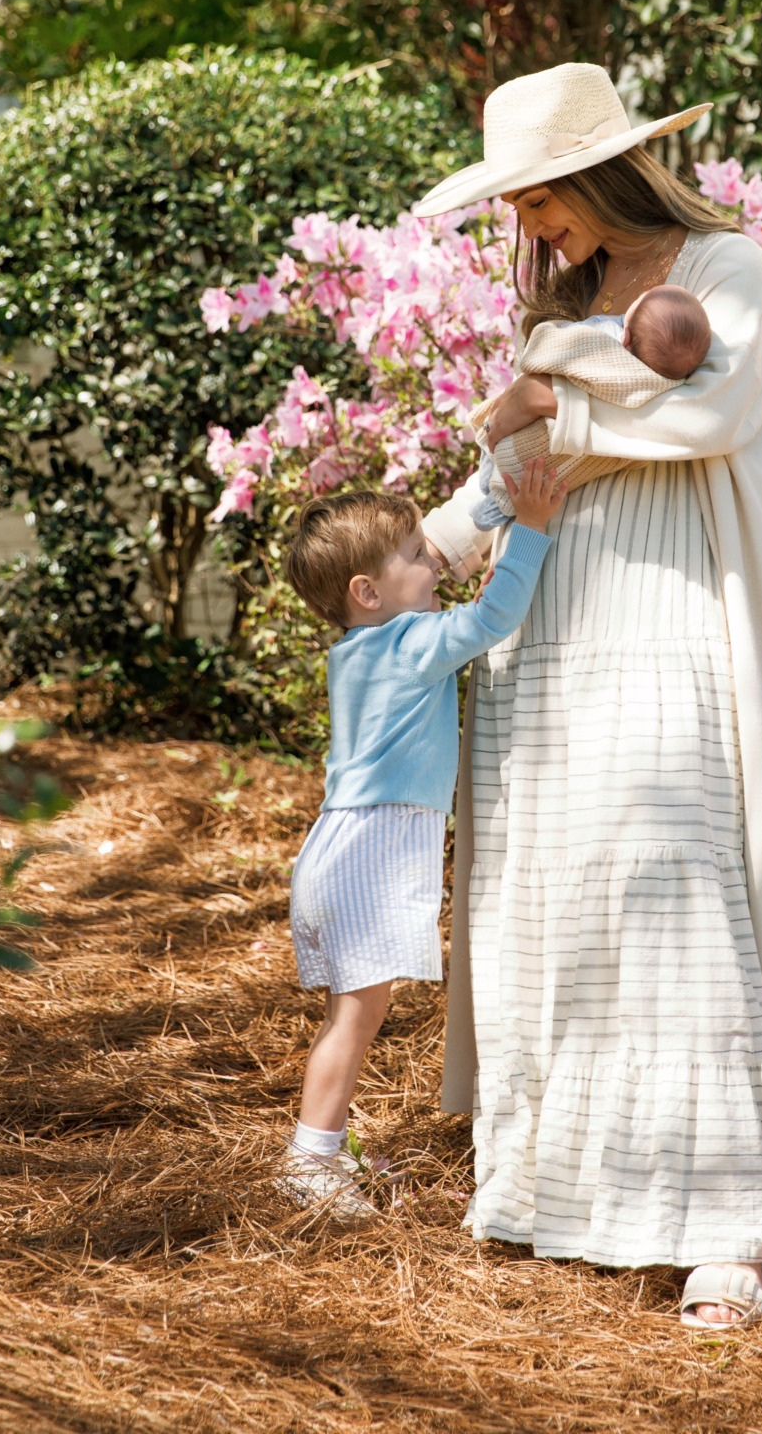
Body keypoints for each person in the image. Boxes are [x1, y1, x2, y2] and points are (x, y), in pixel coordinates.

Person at [414, 62, 762, 1330]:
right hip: (551, 615)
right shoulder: (574, 302)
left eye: (540, 202)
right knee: (561, 878)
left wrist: (553, 391)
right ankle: (567, 1184)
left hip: (669, 603)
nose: (533, 232)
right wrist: (414, 548)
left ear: (599, 173)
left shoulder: (724, 268)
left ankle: (722, 1223)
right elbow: (512, 456)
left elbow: (714, 417)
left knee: (675, 870)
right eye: (524, 212)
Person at [276, 460, 566, 1220]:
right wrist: (530, 529)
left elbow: (454, 600)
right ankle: (309, 1160)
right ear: (366, 593)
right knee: (356, 1018)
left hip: (344, 847)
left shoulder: (362, 648)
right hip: (366, 853)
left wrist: (494, 499)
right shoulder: (404, 643)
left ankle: (319, 1150)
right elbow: (489, 621)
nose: (428, 559)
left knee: (352, 1014)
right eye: (411, 554)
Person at [470, 282, 712, 529]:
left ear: (625, 338)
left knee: (510, 452)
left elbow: (552, 346)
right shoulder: (664, 387)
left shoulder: (606, 334)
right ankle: (493, 502)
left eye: (638, 301)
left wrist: (534, 387)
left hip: (539, 437)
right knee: (528, 475)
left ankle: (491, 482)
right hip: (560, 462)